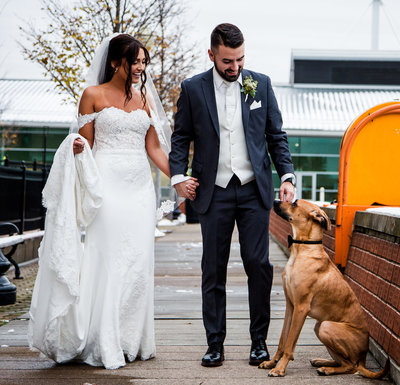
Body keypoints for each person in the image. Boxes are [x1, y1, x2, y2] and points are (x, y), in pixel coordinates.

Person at [28, 34, 197, 370]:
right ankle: (99, 339)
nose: (140, 68)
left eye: (144, 62)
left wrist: (178, 180)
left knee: (136, 262)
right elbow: (85, 145)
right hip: (106, 187)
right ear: (116, 61)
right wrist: (76, 148)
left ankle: (128, 339)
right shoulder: (92, 95)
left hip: (138, 190)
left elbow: (154, 149)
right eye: (135, 61)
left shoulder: (144, 97)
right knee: (106, 259)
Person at [169, 23, 295, 367]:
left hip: (254, 190)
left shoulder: (261, 84)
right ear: (211, 55)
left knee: (259, 265)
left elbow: (275, 135)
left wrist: (287, 175)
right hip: (214, 190)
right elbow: (180, 138)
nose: (235, 67)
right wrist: (179, 176)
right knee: (213, 268)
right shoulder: (192, 88)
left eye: (240, 59)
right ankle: (215, 344)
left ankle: (259, 343)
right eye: (227, 60)